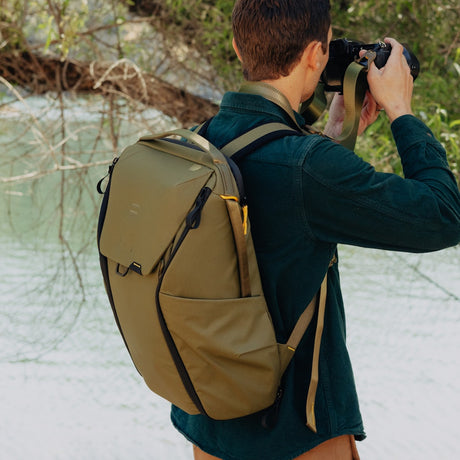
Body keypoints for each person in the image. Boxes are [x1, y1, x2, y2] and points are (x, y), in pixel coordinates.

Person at [170, 1, 460, 459]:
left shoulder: (198, 140)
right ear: (314, 55)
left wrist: (337, 133)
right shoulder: (307, 167)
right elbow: (443, 215)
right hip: (295, 434)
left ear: (237, 47)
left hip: (209, 427)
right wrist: (400, 109)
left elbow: (278, 215)